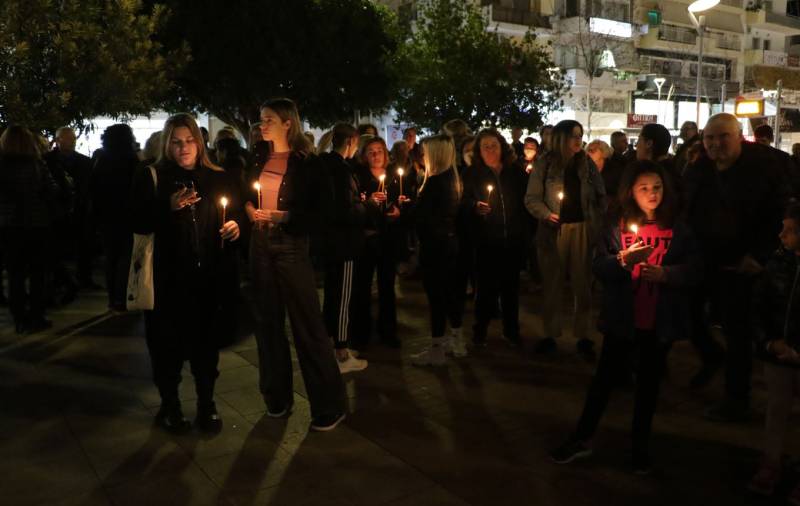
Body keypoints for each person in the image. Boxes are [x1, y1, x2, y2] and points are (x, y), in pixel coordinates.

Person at [550, 160, 701, 474]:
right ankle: (582, 437)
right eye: (644, 188)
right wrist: (621, 260)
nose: (652, 194)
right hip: (623, 318)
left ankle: (639, 448)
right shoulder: (617, 225)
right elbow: (598, 266)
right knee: (603, 382)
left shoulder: (679, 227)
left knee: (648, 387)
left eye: (657, 187)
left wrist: (666, 274)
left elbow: (696, 270)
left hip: (659, 321)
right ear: (630, 191)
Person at [129, 114, 241, 434]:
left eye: (190, 140)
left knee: (205, 349)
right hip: (166, 280)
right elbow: (136, 222)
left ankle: (207, 404)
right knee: (167, 348)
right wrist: (168, 207)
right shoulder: (151, 176)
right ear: (167, 143)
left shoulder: (216, 177)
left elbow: (232, 215)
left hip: (207, 280)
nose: (184, 148)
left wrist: (236, 227)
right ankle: (171, 404)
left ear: (200, 141)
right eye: (176, 142)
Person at [245, 98, 346, 431]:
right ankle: (277, 397)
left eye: (269, 119)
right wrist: (249, 209)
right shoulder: (259, 156)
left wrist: (286, 216)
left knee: (306, 324)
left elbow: (324, 212)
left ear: (288, 122)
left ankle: (329, 404)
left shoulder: (308, 163)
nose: (262, 125)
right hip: (259, 244)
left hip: (290, 245)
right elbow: (246, 190)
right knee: (267, 323)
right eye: (261, 119)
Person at [683, 113, 789, 421]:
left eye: (723, 137)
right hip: (704, 256)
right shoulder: (699, 168)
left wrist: (760, 255)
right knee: (688, 313)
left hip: (743, 262)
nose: (716, 144)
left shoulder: (766, 167)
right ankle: (712, 356)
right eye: (710, 138)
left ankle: (736, 398)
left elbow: (779, 214)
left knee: (737, 330)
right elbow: (687, 210)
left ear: (739, 135)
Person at [525, 120, 606, 360]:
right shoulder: (545, 164)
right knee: (552, 283)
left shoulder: (587, 164)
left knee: (583, 285)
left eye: (579, 135)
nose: (578, 140)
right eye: (573, 136)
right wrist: (545, 214)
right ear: (561, 138)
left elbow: (600, 195)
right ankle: (550, 334)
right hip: (553, 230)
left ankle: (584, 336)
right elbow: (531, 198)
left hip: (582, 229)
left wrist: (596, 220)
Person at [748, 202, 800, 498]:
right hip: (777, 353)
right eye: (783, 228)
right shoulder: (777, 264)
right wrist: (768, 342)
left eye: (791, 231)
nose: (782, 236)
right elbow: (760, 307)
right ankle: (771, 463)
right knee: (776, 410)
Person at [464, 129, 528, 347]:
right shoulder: (472, 174)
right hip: (486, 241)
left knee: (511, 289)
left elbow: (526, 203)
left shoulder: (516, 173)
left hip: (512, 239)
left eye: (494, 145)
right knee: (486, 290)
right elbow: (463, 201)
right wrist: (474, 206)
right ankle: (479, 330)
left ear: (502, 147)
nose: (490, 150)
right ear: (478, 151)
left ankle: (511, 330)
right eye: (485, 146)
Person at [411, 134, 467, 365]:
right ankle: (457, 340)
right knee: (449, 294)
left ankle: (437, 349)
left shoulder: (434, 182)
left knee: (436, 296)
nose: (423, 156)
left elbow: (423, 219)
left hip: (435, 247)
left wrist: (409, 209)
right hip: (449, 243)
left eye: (425, 152)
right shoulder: (452, 179)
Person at [351, 137, 410, 350]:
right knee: (362, 288)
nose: (376, 155)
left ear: (386, 154)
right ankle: (360, 333)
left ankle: (388, 331)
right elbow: (354, 207)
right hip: (367, 238)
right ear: (364, 156)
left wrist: (400, 209)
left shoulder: (394, 177)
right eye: (371, 151)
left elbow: (403, 200)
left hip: (388, 239)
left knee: (387, 286)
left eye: (379, 151)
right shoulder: (358, 177)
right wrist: (369, 204)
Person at [318, 123, 368, 373]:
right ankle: (341, 351)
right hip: (344, 244)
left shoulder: (324, 166)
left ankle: (329, 344)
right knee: (342, 298)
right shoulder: (341, 170)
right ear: (350, 142)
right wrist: (364, 206)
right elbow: (346, 209)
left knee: (332, 294)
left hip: (329, 242)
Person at [0, 126, 59, 334]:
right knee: (37, 274)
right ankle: (36, 315)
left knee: (15, 274)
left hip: (9, 226)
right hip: (37, 225)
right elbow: (52, 190)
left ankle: (18, 318)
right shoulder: (37, 165)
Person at [91, 124, 140, 312]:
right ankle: (123, 296)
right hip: (127, 215)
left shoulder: (101, 158)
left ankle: (113, 298)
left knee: (111, 258)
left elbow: (94, 189)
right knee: (126, 258)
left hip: (106, 216)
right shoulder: (131, 159)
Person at [44, 127, 97, 290]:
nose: (71, 142)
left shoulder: (84, 161)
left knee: (83, 245)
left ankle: (82, 278)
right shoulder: (46, 160)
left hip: (78, 209)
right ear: (57, 141)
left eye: (73, 139)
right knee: (58, 246)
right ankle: (61, 279)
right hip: (56, 210)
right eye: (67, 139)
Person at [753, 124, 800, 198]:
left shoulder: (783, 157)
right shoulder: (782, 156)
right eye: (757, 141)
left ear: (771, 140)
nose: (759, 144)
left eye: (763, 141)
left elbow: (792, 181)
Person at [586, 139, 623, 207]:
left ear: (605, 158)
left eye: (595, 162)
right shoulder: (584, 173)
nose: (592, 167)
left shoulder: (615, 175)